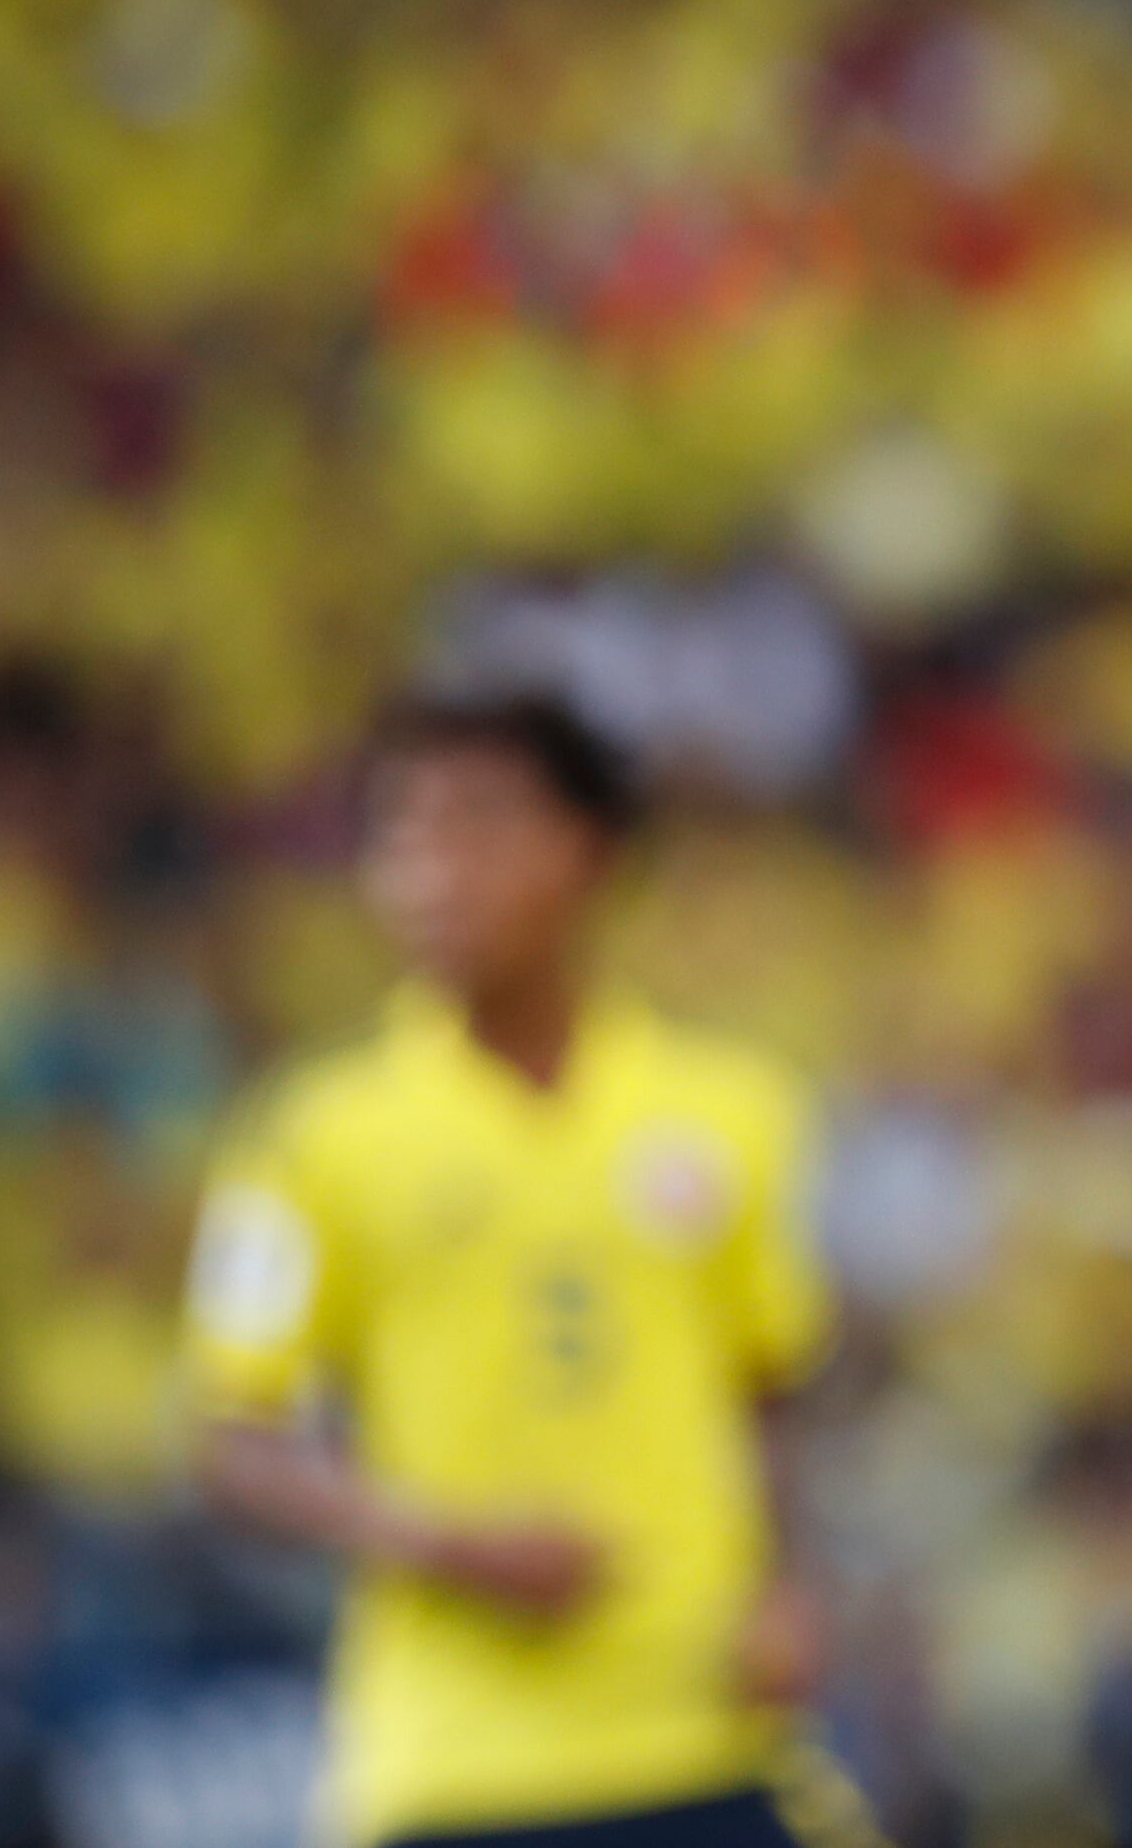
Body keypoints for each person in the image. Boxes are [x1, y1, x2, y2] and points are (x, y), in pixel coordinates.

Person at [186, 693, 865, 1848]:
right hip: (460, 1763)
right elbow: (232, 1438)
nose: (430, 872)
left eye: (478, 826)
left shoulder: (726, 1112)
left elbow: (770, 1380)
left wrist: (786, 1586)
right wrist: (443, 1540)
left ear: (591, 853)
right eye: (400, 835)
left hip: (704, 1735)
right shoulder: (307, 1139)